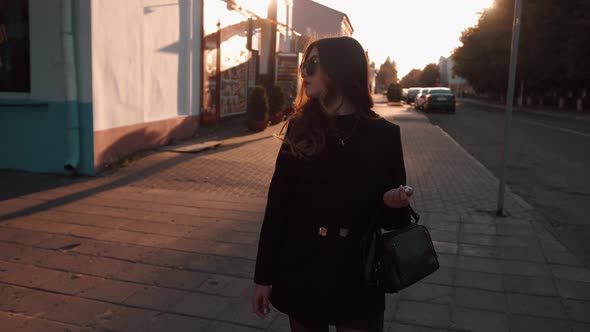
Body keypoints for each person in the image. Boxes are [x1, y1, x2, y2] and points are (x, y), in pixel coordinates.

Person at [252, 36, 413, 332]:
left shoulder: (384, 135)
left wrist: (395, 203)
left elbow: (394, 221)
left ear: (340, 70)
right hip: (302, 269)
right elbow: (277, 207)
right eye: (304, 66)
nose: (304, 74)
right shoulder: (300, 129)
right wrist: (263, 278)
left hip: (358, 274)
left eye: (312, 65)